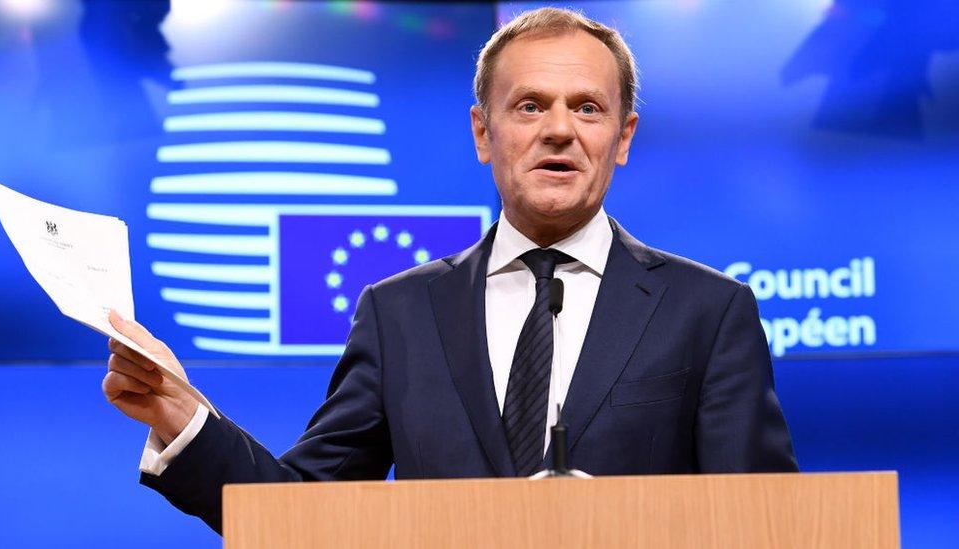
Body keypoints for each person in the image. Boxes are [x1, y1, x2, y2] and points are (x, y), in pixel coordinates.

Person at [103, 8, 797, 534]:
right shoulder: (399, 313)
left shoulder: (708, 312)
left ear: (623, 138)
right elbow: (301, 510)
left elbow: (766, 525)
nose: (560, 130)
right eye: (530, 106)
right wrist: (184, 417)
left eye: (587, 107)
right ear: (482, 132)